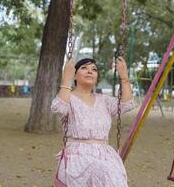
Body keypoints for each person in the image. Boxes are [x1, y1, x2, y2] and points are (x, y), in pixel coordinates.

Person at [51, 57, 136, 187]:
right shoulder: (69, 99)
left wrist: (124, 77)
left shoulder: (105, 101)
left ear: (96, 78)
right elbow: (59, 107)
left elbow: (127, 104)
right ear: (75, 75)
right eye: (84, 68)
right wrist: (66, 79)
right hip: (77, 157)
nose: (90, 71)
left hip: (105, 156)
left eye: (94, 69)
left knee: (113, 176)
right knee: (105, 173)